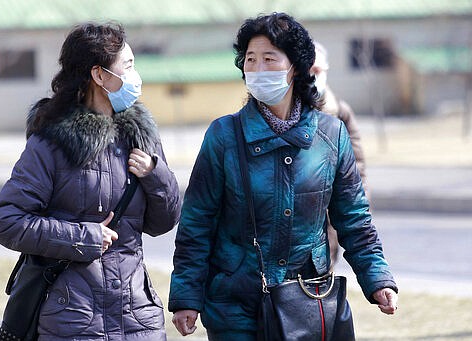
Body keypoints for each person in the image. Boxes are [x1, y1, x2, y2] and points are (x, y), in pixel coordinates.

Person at [169, 12, 398, 340]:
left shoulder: (331, 134)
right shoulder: (223, 135)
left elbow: (355, 220)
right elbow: (196, 223)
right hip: (235, 305)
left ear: (296, 67)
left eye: (269, 59)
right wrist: (186, 296)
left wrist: (377, 279)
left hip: (307, 297)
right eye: (250, 59)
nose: (257, 69)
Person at [0, 22, 181, 340]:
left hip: (138, 318)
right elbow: (7, 221)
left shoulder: (140, 134)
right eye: (128, 66)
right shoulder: (51, 142)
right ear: (99, 75)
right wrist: (84, 237)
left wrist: (154, 173)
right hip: (72, 321)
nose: (136, 77)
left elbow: (163, 223)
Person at [311, 41, 369, 269]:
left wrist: (360, 217)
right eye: (307, 69)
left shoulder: (340, 112)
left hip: (329, 213)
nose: (312, 76)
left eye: (317, 70)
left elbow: (358, 169)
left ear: (325, 70)